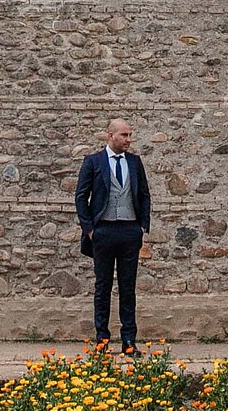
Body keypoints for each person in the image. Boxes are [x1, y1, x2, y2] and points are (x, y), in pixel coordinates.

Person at [75, 116, 151, 352]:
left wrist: (142, 227)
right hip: (103, 230)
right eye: (124, 135)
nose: (128, 139)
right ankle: (102, 339)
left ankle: (129, 340)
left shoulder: (135, 162)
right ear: (111, 136)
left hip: (129, 230)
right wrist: (90, 230)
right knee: (103, 286)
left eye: (130, 135)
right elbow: (81, 197)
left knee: (128, 287)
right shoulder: (93, 161)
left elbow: (144, 194)